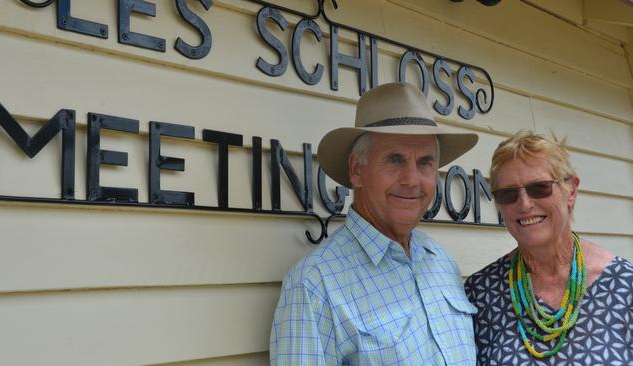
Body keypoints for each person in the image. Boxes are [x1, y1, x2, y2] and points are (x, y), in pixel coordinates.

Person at [269, 82, 479, 365]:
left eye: (425, 163)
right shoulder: (314, 286)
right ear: (357, 170)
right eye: (395, 160)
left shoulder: (440, 261)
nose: (412, 180)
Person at [465, 130, 633, 365]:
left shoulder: (625, 285)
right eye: (508, 194)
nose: (524, 204)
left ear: (571, 191)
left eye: (540, 187)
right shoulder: (480, 292)